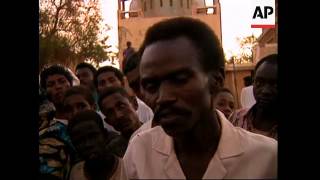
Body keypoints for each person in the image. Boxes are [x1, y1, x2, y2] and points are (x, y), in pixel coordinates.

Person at [123, 17, 277, 179]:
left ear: (216, 80)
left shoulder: (267, 158)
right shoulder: (139, 153)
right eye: (151, 86)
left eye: (179, 80)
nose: (163, 98)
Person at [68, 110, 128, 180]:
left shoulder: (127, 167)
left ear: (105, 135)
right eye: (79, 140)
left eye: (93, 136)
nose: (88, 144)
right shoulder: (76, 173)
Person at [39, 64, 75, 179]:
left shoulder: (87, 119)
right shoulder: (43, 127)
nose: (58, 87)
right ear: (45, 91)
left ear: (71, 84)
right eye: (51, 84)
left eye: (62, 81)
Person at [230, 54, 278, 140]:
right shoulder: (236, 118)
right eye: (260, 82)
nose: (265, 91)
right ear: (253, 82)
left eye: (275, 85)